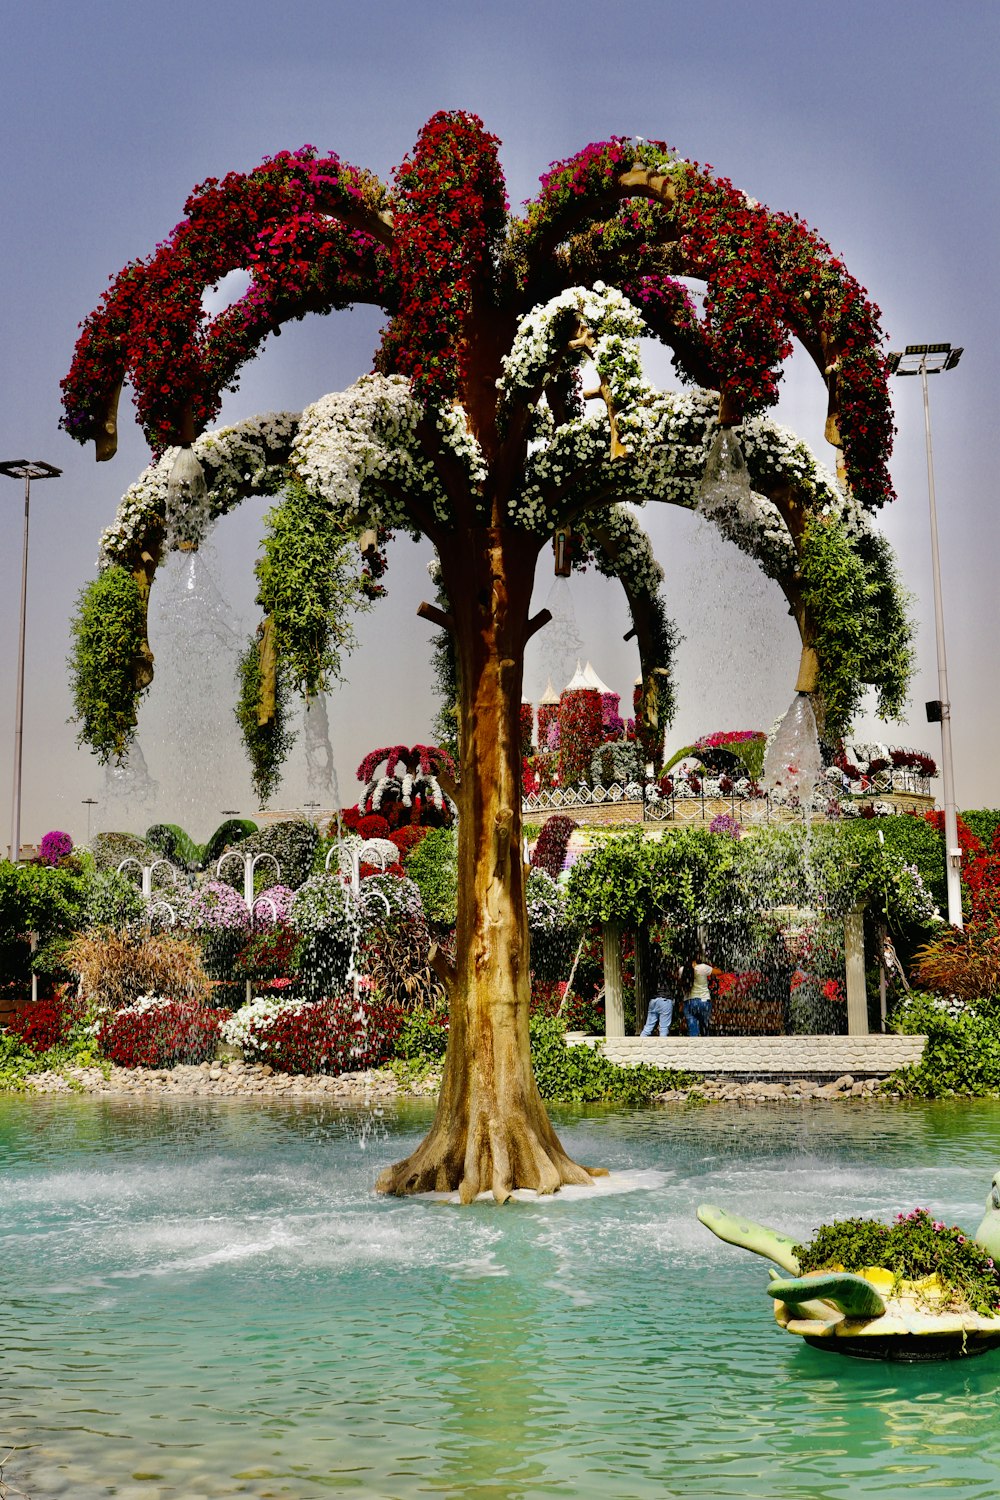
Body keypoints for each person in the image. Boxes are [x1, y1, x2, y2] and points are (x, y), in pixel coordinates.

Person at [640, 960, 680, 1036]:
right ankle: (663, 1047)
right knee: (664, 1028)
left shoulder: (653, 974)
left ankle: (639, 1044)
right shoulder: (668, 975)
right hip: (665, 1000)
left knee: (648, 1027)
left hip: (653, 1000)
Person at [684, 955, 714, 1036]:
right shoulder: (703, 967)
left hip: (689, 1002)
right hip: (703, 1000)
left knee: (692, 1030)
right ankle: (705, 1046)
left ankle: (694, 1047)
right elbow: (719, 972)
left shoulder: (683, 969)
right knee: (705, 1027)